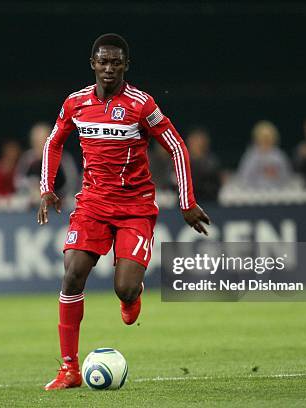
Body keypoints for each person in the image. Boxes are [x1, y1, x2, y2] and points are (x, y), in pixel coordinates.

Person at [38, 33, 210, 390]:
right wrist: (46, 189)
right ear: (92, 64)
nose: (109, 68)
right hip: (93, 204)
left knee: (125, 289)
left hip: (135, 207)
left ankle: (132, 296)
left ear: (126, 66)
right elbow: (54, 141)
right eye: (103, 62)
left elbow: (177, 147)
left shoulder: (141, 104)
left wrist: (187, 203)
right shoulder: (75, 103)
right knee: (72, 274)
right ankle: (69, 368)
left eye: (116, 63)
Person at [16, 122, 79, 205]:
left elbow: (72, 183)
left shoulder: (63, 159)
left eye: (42, 140)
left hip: (60, 204)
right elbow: (18, 181)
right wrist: (32, 188)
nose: (39, 144)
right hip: (33, 205)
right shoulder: (27, 159)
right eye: (36, 141)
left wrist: (54, 195)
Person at [237, 120, 293, 189]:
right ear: (256, 138)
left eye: (268, 137)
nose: (265, 139)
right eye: (262, 137)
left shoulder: (280, 155)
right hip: (253, 193)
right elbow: (243, 176)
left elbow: (287, 176)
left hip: (277, 192)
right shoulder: (250, 155)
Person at [185, 127, 221, 202]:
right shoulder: (180, 160)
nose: (195, 143)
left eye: (198, 140)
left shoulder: (211, 162)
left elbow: (209, 185)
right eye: (193, 140)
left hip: (208, 203)